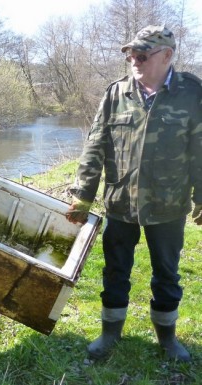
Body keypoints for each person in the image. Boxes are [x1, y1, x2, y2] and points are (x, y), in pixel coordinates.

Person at [66, 25, 202, 363]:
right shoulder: (117, 93)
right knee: (115, 271)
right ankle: (110, 333)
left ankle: (167, 339)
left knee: (167, 274)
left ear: (167, 56)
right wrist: (83, 195)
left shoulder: (192, 94)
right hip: (120, 203)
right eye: (131, 55)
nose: (134, 61)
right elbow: (95, 145)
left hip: (168, 205)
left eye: (142, 55)